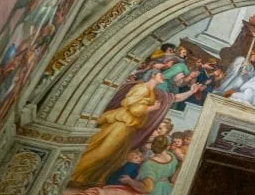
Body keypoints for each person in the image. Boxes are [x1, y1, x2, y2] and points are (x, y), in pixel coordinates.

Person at [69, 72, 199, 188]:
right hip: (121, 123)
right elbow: (134, 109)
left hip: (128, 127)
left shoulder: (155, 93)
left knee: (111, 154)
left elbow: (174, 98)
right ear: (153, 75)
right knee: (102, 150)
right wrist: (152, 109)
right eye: (160, 74)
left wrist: (191, 92)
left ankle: (84, 178)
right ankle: (73, 175)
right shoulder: (141, 88)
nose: (162, 76)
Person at [55, 135, 180, 195]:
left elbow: (147, 188)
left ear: (153, 146)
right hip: (166, 192)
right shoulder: (172, 157)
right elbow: (174, 175)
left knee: (100, 192)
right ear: (167, 146)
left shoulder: (150, 164)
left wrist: (130, 181)